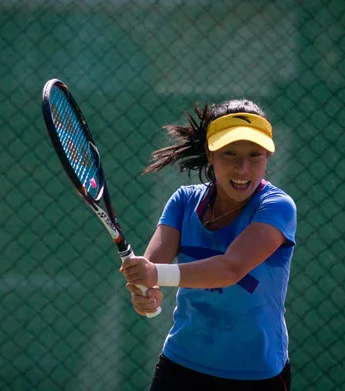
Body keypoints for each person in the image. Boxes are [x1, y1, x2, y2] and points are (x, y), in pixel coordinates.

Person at [119, 99, 296, 391]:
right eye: (229, 154)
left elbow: (231, 268)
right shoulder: (184, 201)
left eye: (255, 155)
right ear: (210, 155)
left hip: (256, 373)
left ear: (267, 156)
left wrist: (155, 275)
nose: (243, 167)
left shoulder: (277, 207)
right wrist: (145, 291)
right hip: (183, 363)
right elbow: (153, 268)